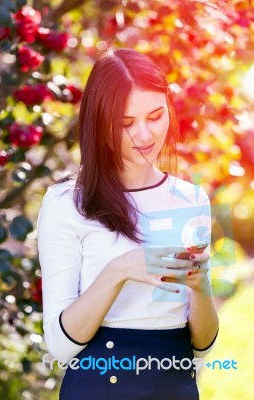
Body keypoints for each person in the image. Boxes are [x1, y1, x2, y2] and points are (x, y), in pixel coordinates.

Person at [37, 48, 219, 400]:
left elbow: (202, 347)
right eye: (125, 123)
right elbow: (60, 347)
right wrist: (119, 270)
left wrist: (200, 286)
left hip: (173, 385)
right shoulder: (65, 204)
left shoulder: (191, 199)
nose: (145, 135)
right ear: (99, 122)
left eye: (155, 116)